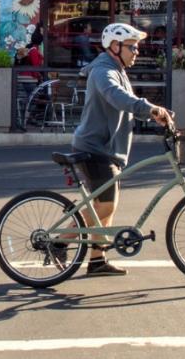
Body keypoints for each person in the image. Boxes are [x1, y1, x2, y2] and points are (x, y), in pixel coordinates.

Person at [70, 23, 174, 277]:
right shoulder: (103, 71)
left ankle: (97, 260)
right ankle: (61, 241)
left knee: (105, 205)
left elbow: (126, 105)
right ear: (115, 46)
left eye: (137, 47)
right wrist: (150, 108)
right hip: (94, 148)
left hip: (106, 150)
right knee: (105, 205)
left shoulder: (117, 69)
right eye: (132, 47)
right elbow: (117, 97)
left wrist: (153, 115)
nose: (136, 52)